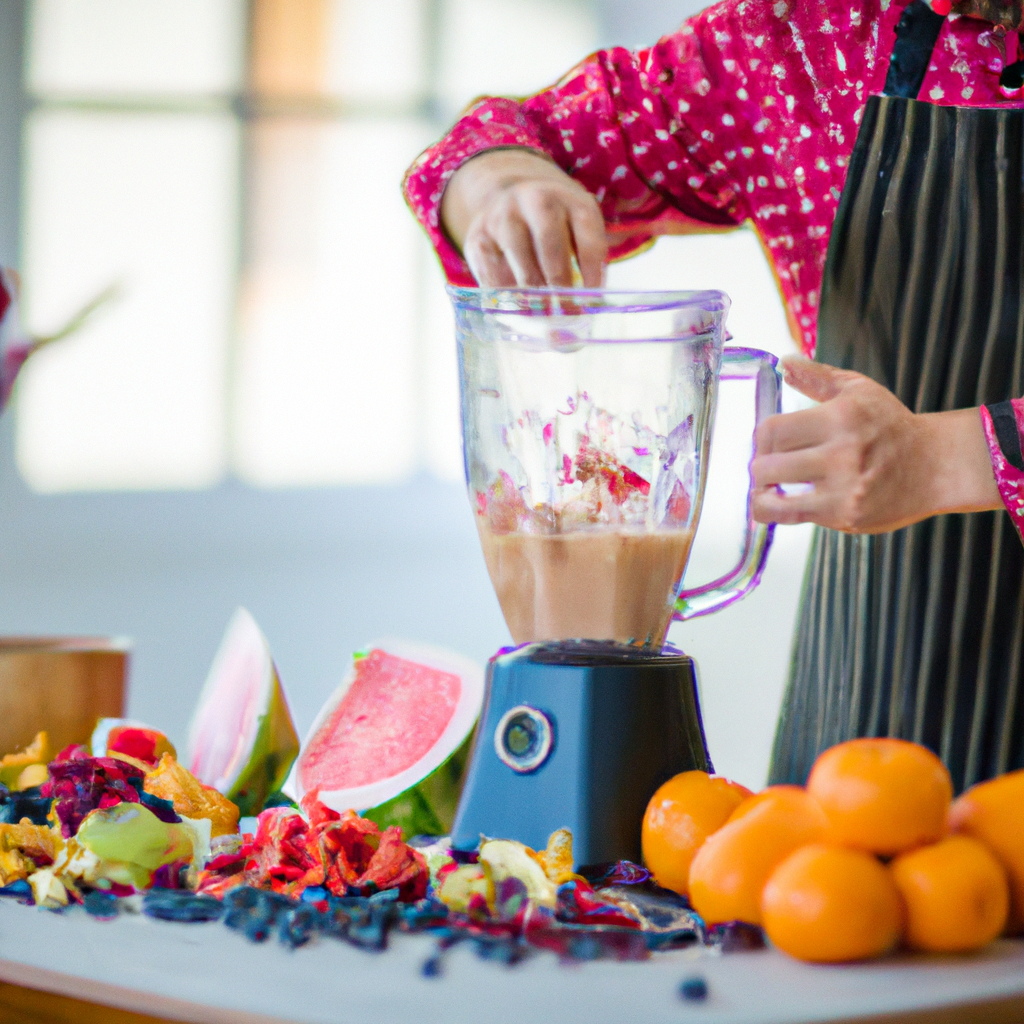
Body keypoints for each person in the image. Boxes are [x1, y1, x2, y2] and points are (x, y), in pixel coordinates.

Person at [404, 0, 1024, 792]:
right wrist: (505, 187)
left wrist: (949, 460)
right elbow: (495, 147)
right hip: (863, 736)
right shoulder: (803, 38)